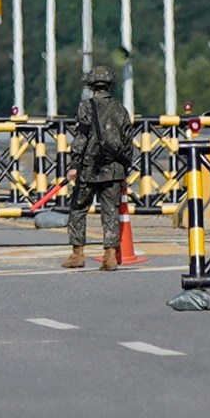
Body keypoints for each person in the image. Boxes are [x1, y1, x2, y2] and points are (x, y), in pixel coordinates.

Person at [62, 65, 133, 271]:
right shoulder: (121, 110)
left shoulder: (85, 107)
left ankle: (78, 254)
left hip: (89, 169)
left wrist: (74, 165)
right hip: (115, 168)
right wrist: (125, 170)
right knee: (110, 210)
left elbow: (81, 138)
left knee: (78, 208)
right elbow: (128, 143)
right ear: (110, 85)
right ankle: (110, 255)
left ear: (91, 85)